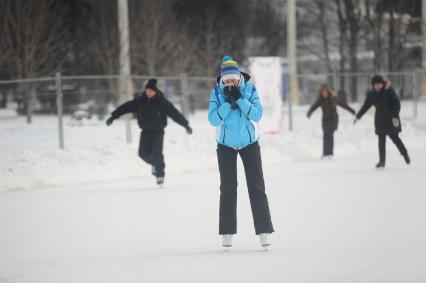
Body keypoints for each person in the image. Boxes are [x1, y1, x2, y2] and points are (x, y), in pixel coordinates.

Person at [208, 55, 274, 249]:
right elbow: (213, 120)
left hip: (249, 144)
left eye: (233, 79)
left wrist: (240, 99)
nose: (230, 83)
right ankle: (227, 232)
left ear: (238, 78)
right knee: (228, 188)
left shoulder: (250, 89)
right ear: (222, 80)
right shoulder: (217, 93)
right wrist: (227, 104)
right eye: (226, 80)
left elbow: (257, 114)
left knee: (256, 187)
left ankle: (264, 231)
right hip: (226, 146)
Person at [106, 79, 193, 185]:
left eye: (151, 91)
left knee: (157, 153)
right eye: (147, 90)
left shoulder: (162, 102)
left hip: (158, 132)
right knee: (142, 153)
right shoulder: (140, 101)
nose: (148, 93)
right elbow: (126, 107)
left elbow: (175, 114)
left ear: (155, 91)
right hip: (145, 131)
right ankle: (155, 165)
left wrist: (186, 125)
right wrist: (113, 116)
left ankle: (160, 175)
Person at [354, 75, 410, 168]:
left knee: (395, 139)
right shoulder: (371, 94)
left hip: (391, 118)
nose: (378, 86)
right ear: (373, 85)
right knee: (381, 141)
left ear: (382, 84)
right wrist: (358, 116)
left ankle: (405, 154)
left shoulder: (389, 90)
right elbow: (366, 106)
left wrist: (395, 116)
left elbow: (396, 103)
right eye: (376, 84)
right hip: (380, 120)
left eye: (379, 84)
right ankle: (382, 162)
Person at [307, 84, 355, 158]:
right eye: (323, 92)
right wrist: (310, 112)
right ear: (321, 92)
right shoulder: (320, 100)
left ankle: (330, 153)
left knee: (329, 135)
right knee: (325, 136)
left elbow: (343, 105)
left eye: (325, 91)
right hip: (325, 120)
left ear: (328, 91)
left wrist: (351, 110)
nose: (324, 93)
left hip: (333, 119)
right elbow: (314, 106)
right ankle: (325, 153)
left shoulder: (333, 99)